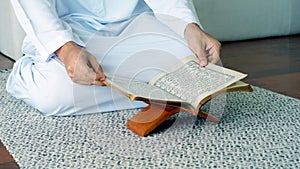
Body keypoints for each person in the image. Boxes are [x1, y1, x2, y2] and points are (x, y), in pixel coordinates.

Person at [7, 0, 221, 116]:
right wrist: (65, 48)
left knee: (204, 64)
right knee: (54, 93)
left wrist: (187, 26)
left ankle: (138, 88)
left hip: (136, 20)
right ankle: (29, 74)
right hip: (71, 29)